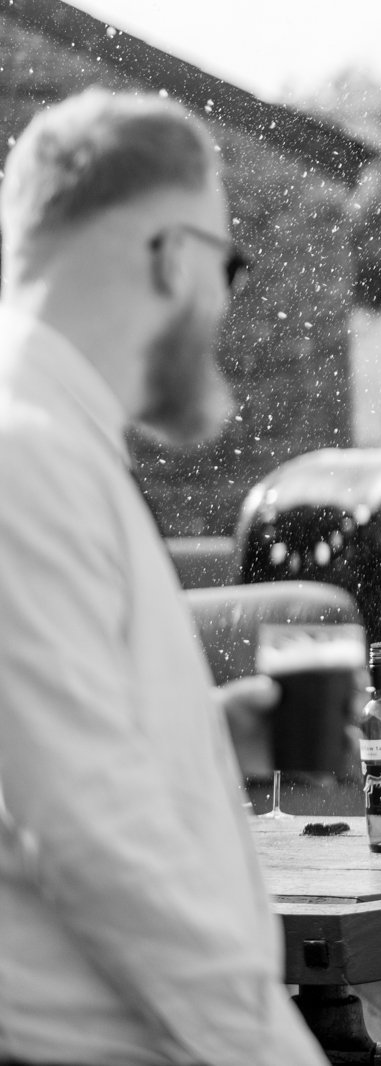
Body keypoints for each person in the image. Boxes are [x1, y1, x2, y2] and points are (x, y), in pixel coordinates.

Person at [0, 89, 325, 1066]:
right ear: (172, 254)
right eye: (228, 263)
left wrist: (209, 736)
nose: (225, 300)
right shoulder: (30, 454)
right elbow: (94, 838)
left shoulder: (50, 440)